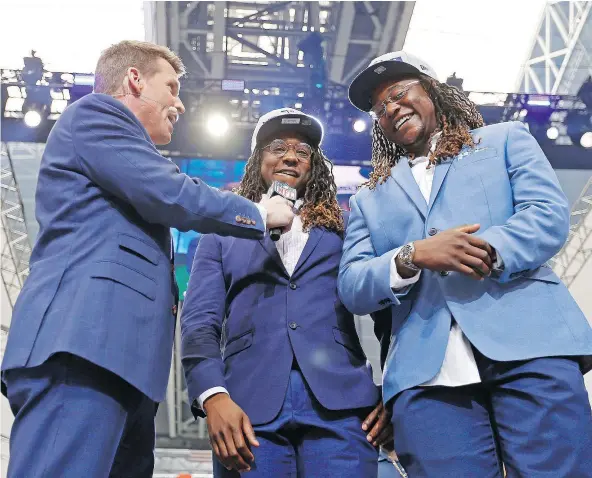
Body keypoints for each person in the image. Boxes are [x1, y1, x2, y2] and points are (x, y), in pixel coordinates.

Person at [1, 40, 294, 478]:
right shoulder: (95, 115)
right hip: (80, 347)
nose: (179, 103)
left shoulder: (121, 162)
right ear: (135, 80)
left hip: (123, 366)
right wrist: (256, 212)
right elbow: (171, 193)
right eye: (172, 87)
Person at [339, 51, 592, 477]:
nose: (391, 109)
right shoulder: (368, 197)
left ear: (433, 90)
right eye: (380, 109)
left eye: (400, 93)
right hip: (426, 374)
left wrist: (486, 249)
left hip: (530, 345)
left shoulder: (505, 139)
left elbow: (546, 215)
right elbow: (352, 283)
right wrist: (412, 255)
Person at [181, 108, 391, 477]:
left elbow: (386, 309)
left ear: (314, 166)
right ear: (257, 159)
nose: (291, 157)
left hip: (343, 409)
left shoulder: (347, 227)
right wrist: (212, 395)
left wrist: (396, 388)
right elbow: (199, 322)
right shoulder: (220, 233)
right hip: (247, 410)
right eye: (278, 147)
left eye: (303, 151)